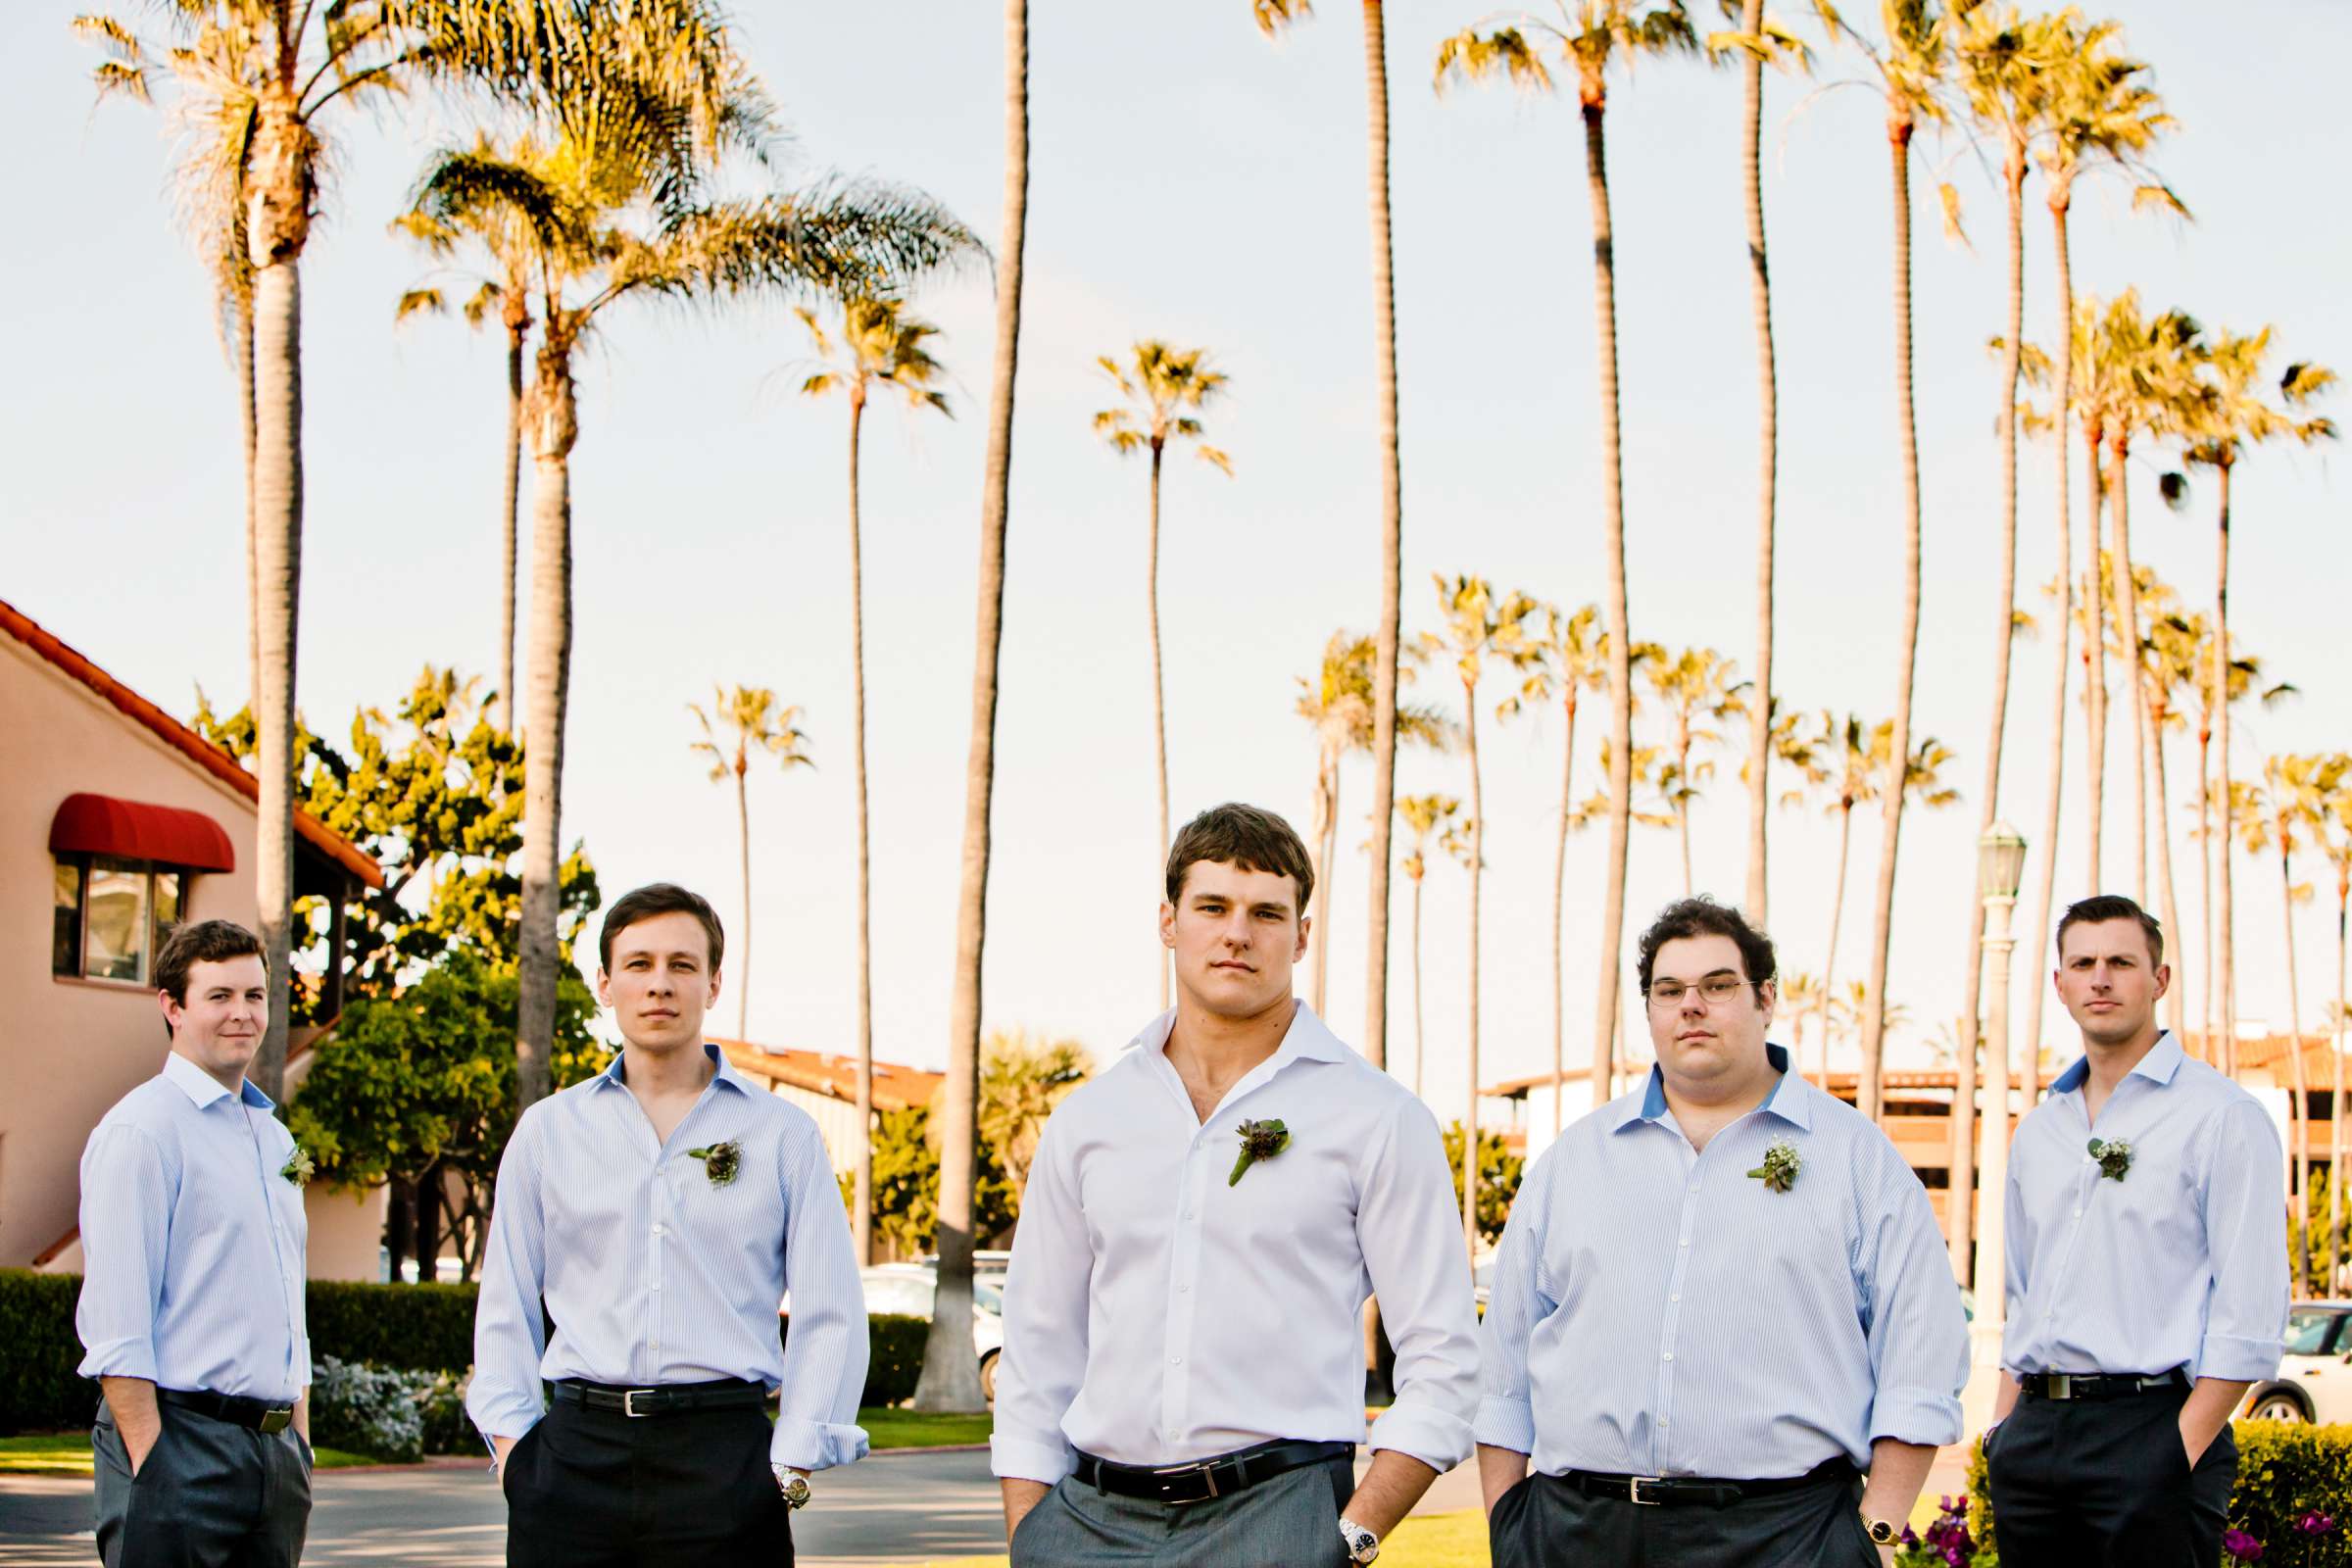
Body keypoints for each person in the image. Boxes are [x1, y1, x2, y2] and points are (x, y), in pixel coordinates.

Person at [992, 803, 1479, 1566]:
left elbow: (1445, 1360)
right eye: (1212, 906)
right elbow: (1037, 1346)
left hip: (1279, 1516)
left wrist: (1348, 1538)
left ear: (1302, 935)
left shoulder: (1377, 1118)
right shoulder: (1090, 1119)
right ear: (1168, 921)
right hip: (1085, 1524)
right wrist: (1033, 1535)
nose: (1236, 933)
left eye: (1266, 913)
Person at [1478, 896, 1969, 1566]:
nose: (1691, 1005)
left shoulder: (1857, 1159)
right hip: (1575, 1533)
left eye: (1717, 985)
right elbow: (1504, 1365)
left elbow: (1920, 1361)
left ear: (1765, 998)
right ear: (1649, 1008)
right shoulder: (1574, 1161)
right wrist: (1509, 1526)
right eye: (1669, 989)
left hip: (1786, 1536)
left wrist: (1872, 1538)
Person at [469, 883, 868, 1568]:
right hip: (570, 1467)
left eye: (682, 965)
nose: (660, 985)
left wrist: (789, 1468)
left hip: (726, 1466)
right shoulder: (547, 1133)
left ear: (713, 983)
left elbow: (829, 1312)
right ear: (605, 983)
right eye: (639, 964)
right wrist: (515, 1457)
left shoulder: (783, 1136)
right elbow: (505, 1305)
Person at [1986, 894, 2286, 1566]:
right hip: (2034, 1437)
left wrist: (2176, 1448)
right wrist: (2003, 1429)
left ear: (2159, 980)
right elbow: (2023, 1295)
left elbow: (2252, 1312)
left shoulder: (2222, 1118)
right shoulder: (2039, 1132)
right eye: (2082, 963)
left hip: (2153, 1429)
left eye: (2121, 961)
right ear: (2060, 985)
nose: (2101, 978)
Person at [75, 918, 314, 1568]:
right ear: (172, 1007)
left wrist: (299, 1443)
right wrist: (156, 1463)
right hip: (179, 1448)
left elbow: (287, 1301)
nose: (243, 1014)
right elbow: (118, 1324)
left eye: (255, 996)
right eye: (219, 997)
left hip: (273, 1460)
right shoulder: (142, 1132)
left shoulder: (275, 1140)